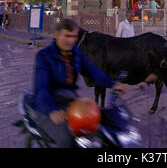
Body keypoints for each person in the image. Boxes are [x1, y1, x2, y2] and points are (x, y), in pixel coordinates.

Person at [29, 19, 126, 148]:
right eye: (67, 36)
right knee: (66, 139)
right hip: (50, 103)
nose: (70, 40)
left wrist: (112, 84)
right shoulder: (44, 56)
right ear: (57, 34)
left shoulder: (75, 52)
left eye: (74, 36)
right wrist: (51, 111)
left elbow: (92, 71)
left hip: (69, 100)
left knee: (97, 128)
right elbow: (41, 89)